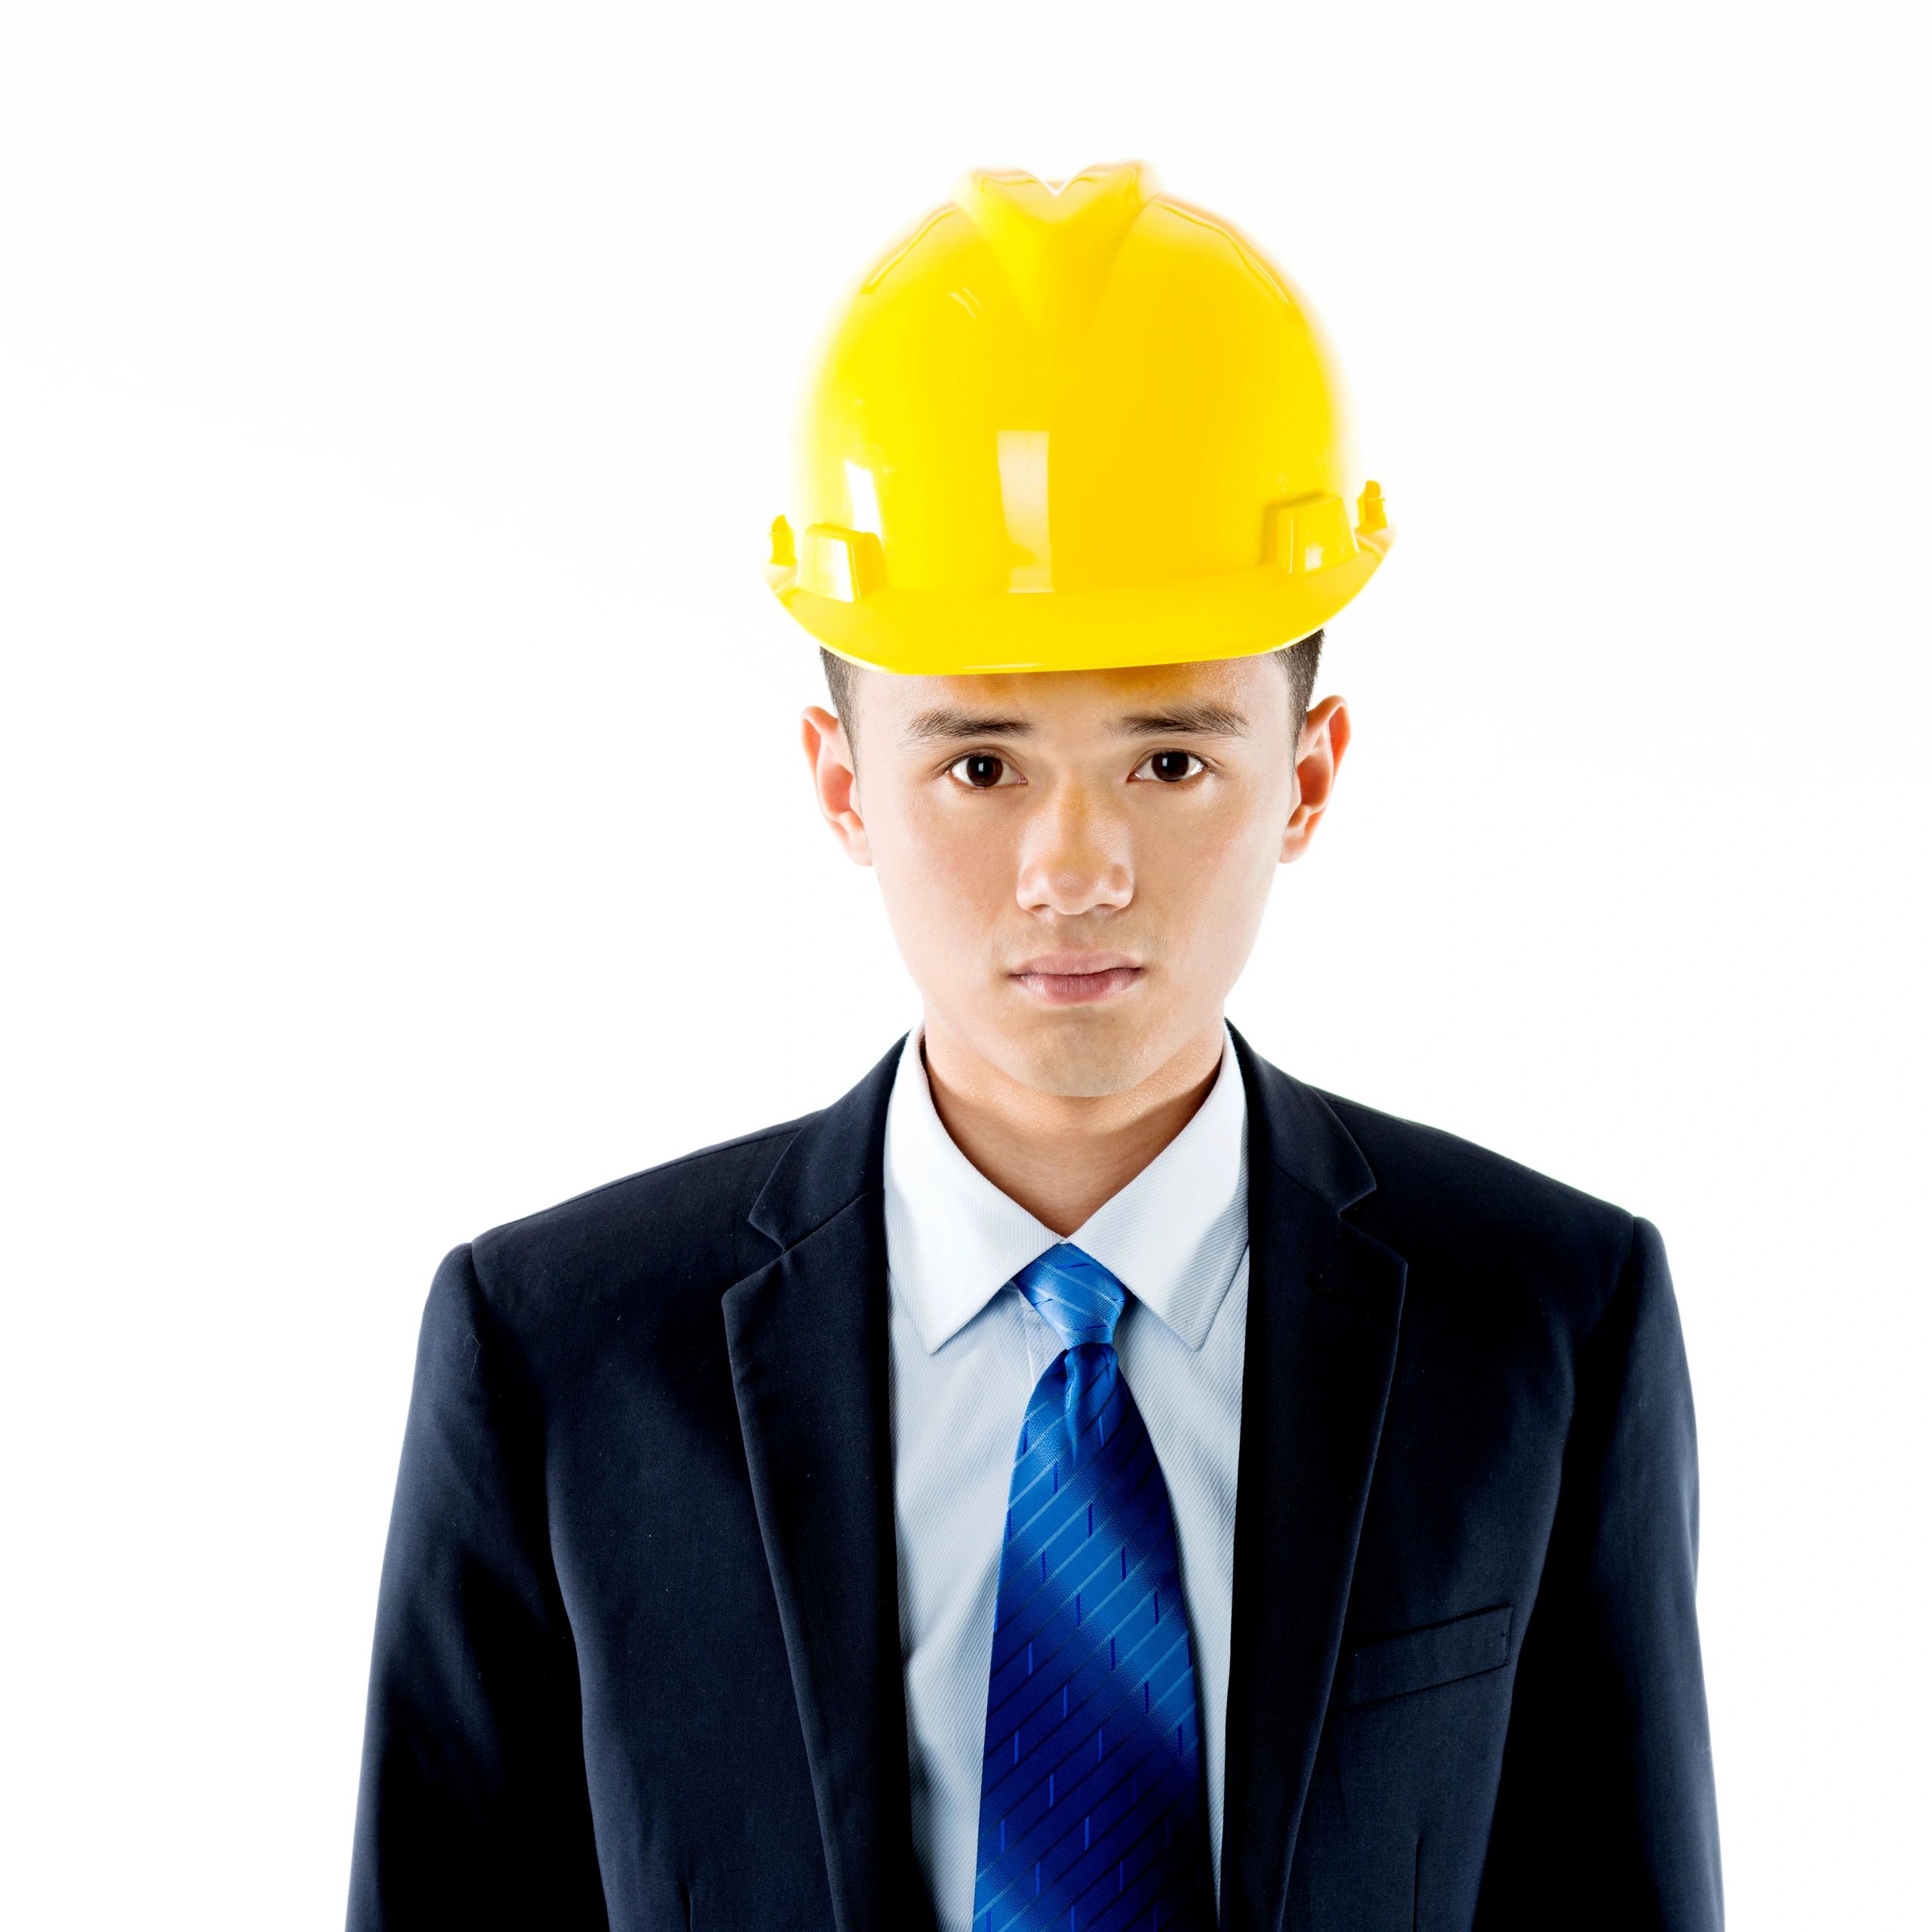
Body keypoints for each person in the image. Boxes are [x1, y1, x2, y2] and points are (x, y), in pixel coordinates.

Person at [346, 162, 1723, 1932]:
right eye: (979, 764)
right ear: (843, 781)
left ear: (1304, 773)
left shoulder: (1543, 1322)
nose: (1073, 869)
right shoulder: (560, 1359)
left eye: (1169, 759)